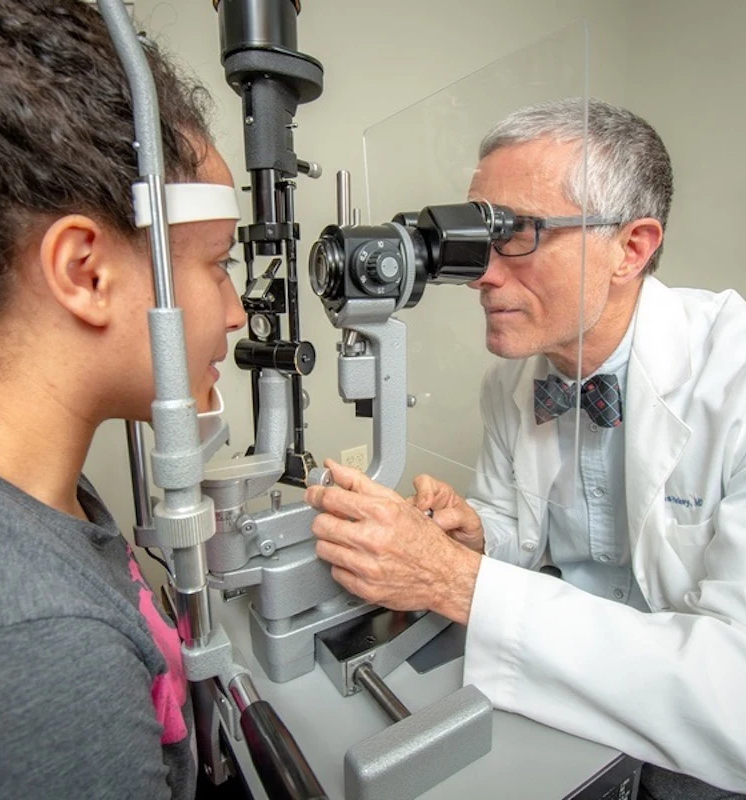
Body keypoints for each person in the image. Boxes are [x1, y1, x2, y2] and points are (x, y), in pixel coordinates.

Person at [305, 98, 746, 799]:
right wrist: (480, 534)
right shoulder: (513, 382)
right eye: (479, 237)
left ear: (630, 248)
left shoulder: (735, 375)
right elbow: (537, 539)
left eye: (517, 234)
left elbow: (735, 699)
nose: (481, 274)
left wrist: (454, 579)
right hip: (569, 699)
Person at [0, 1, 246, 797]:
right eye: (218, 264)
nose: (239, 310)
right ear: (86, 272)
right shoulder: (33, 652)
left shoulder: (34, 502)